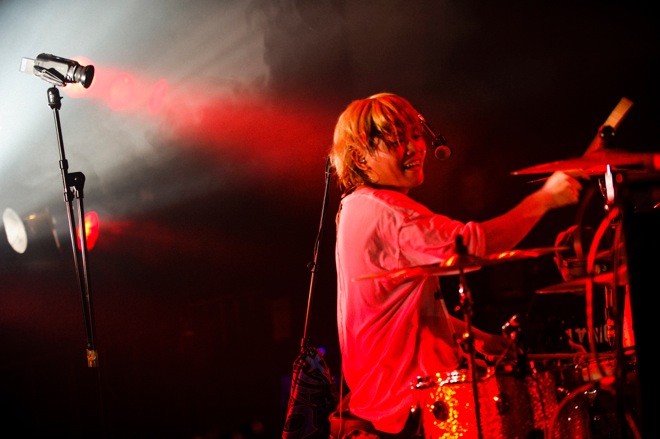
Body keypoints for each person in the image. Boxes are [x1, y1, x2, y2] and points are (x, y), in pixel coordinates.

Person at [327, 92, 587, 438]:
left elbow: (401, 315)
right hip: (409, 406)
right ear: (361, 157)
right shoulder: (387, 211)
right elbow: (472, 247)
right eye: (397, 141)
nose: (415, 148)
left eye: (415, 135)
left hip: (382, 401)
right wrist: (544, 200)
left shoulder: (354, 208)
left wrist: (479, 339)